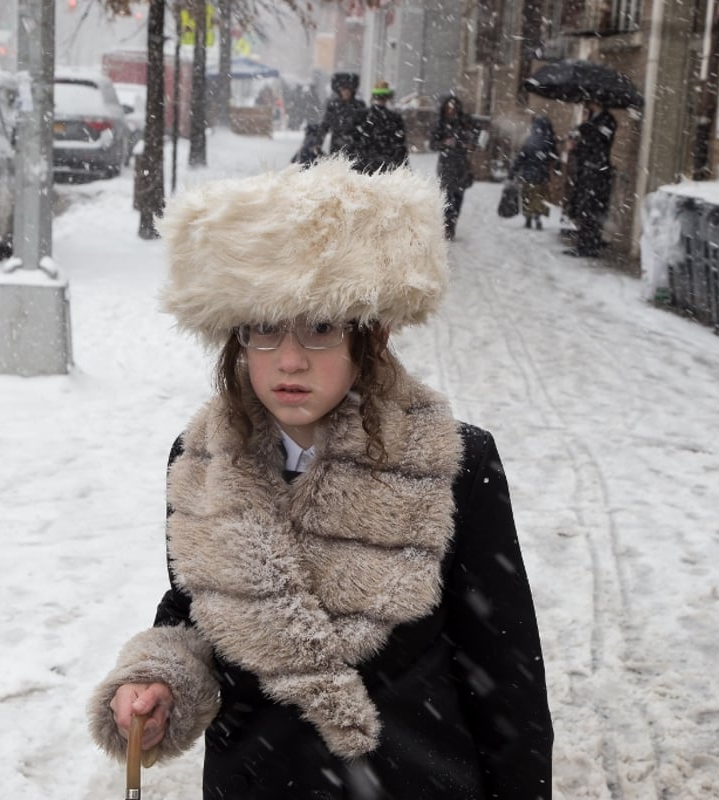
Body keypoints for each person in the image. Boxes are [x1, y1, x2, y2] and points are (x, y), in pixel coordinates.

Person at [87, 157, 554, 799]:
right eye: (263, 328)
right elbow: (198, 608)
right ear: (235, 337)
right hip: (254, 783)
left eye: (322, 327)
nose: (288, 359)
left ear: (373, 333)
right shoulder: (199, 462)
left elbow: (505, 672)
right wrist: (159, 677)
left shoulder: (454, 462)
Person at [564, 99, 616, 257]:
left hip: (597, 171)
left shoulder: (608, 121)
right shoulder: (591, 121)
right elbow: (586, 144)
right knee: (583, 207)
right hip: (586, 169)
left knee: (593, 208)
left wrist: (584, 129)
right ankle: (584, 243)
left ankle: (590, 245)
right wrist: (574, 146)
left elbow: (601, 141)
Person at [428, 94, 478, 240]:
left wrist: (470, 144)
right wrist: (444, 143)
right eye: (448, 108)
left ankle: (452, 223)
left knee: (458, 197)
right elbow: (432, 144)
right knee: (448, 196)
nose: (451, 111)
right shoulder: (440, 124)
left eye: (453, 108)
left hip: (462, 165)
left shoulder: (465, 122)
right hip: (446, 165)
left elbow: (475, 137)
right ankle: (447, 224)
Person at [348, 79, 408, 174]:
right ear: (388, 97)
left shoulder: (361, 116)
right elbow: (400, 146)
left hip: (364, 166)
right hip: (385, 166)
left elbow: (353, 141)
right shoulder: (394, 118)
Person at [510, 115, 559, 231]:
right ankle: (537, 217)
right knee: (539, 197)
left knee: (528, 196)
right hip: (542, 175)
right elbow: (554, 158)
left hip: (528, 174)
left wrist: (512, 173)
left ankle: (528, 218)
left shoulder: (529, 140)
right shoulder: (549, 141)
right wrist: (556, 170)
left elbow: (520, 158)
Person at [321, 72, 365, 156]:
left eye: (349, 89)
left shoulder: (359, 105)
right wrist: (318, 143)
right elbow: (325, 125)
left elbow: (364, 125)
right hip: (337, 144)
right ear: (339, 90)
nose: (346, 92)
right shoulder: (333, 105)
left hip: (355, 145)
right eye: (343, 89)